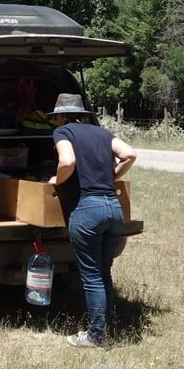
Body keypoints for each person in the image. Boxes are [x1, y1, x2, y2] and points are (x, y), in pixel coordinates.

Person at [47, 94, 137, 348]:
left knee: (92, 277)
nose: (56, 122)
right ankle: (106, 328)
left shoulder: (63, 132)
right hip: (113, 208)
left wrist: (59, 179)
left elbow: (68, 161)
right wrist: (111, 175)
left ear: (62, 116)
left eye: (56, 118)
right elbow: (129, 154)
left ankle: (96, 336)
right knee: (104, 273)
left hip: (88, 209)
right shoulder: (103, 133)